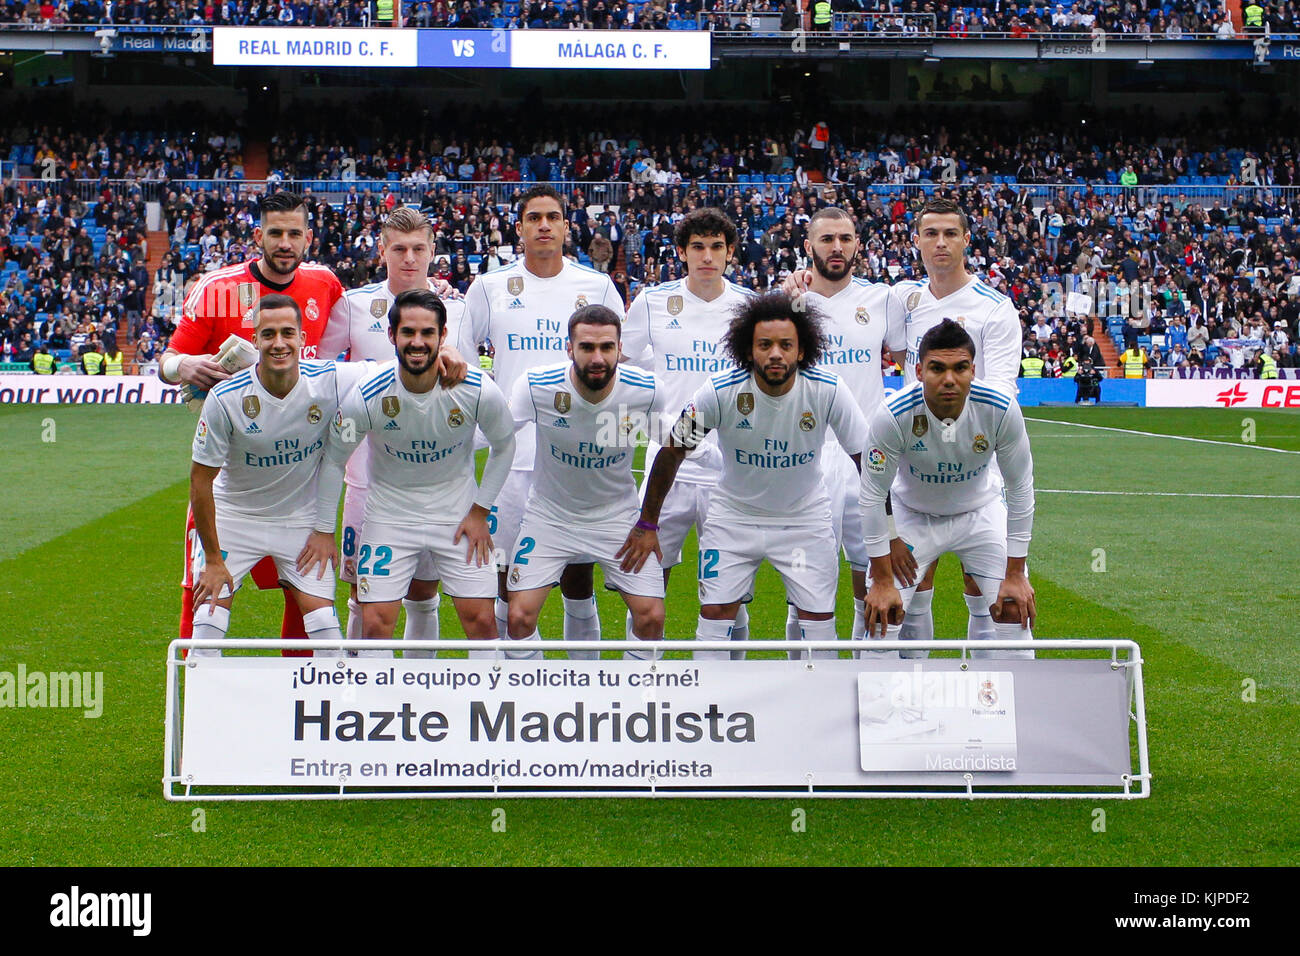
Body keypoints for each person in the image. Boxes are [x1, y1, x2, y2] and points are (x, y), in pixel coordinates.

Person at [619, 292, 868, 660]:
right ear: (748, 350)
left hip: (804, 520)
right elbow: (672, 452)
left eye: (786, 345)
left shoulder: (827, 389)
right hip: (733, 518)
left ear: (802, 350)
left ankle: (816, 712)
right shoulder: (720, 390)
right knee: (717, 614)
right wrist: (647, 523)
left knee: (817, 620)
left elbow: (869, 463)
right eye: (764, 345)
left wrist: (887, 538)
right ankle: (712, 709)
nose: (775, 354)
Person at [161, 191, 346, 658]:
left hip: (298, 480)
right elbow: (166, 359)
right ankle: (192, 710)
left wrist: (437, 291)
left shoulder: (326, 284)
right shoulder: (216, 287)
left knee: (307, 602)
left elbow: (369, 324)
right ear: (257, 235)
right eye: (275, 233)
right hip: (230, 477)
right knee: (203, 594)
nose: (285, 243)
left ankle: (303, 708)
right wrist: (182, 367)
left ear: (308, 237)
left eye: (294, 233)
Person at [456, 184, 624, 650]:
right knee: (508, 576)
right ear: (519, 228)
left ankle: (577, 678)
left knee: (577, 576)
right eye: (534, 218)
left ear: (567, 227)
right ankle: (516, 683)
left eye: (553, 217)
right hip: (512, 458)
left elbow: (616, 364)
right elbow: (466, 365)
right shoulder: (489, 288)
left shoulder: (596, 286)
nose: (544, 225)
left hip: (577, 454)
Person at [316, 289, 514, 660]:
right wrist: (324, 529)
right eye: (408, 332)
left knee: (482, 623)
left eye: (428, 333)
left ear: (442, 337)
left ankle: (488, 710)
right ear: (392, 336)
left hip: (457, 515)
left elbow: (505, 444)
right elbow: (333, 459)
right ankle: (381, 706)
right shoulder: (367, 394)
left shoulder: (476, 389)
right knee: (375, 625)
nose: (418, 342)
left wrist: (479, 510)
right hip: (390, 515)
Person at [318, 206, 467, 657]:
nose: (409, 258)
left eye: (418, 248)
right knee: (364, 590)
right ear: (382, 250)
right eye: (399, 248)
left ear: (432, 251)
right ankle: (359, 690)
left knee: (423, 590)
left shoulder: (456, 308)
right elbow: (324, 374)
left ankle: (417, 692)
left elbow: (471, 377)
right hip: (367, 474)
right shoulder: (355, 304)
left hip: (437, 473)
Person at [187, 295, 369, 659]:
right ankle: (203, 715)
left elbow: (389, 369)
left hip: (298, 522)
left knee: (327, 638)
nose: (279, 343)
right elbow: (199, 481)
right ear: (254, 340)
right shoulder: (225, 398)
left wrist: (447, 354)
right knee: (206, 631)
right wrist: (211, 558)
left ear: (303, 338)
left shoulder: (330, 380)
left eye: (288, 333)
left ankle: (327, 713)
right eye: (268, 334)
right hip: (234, 520)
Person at [889, 197, 1023, 661]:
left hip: (974, 461)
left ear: (967, 239)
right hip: (912, 462)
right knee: (914, 579)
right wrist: (802, 279)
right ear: (917, 242)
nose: (940, 243)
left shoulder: (995, 308)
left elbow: (1002, 391)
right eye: (931, 234)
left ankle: (984, 694)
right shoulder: (902, 300)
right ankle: (913, 693)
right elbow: (852, 311)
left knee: (982, 581)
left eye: (950, 233)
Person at [621, 207, 757, 656]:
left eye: (716, 247)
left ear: (730, 252)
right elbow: (623, 364)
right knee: (647, 577)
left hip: (731, 469)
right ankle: (640, 685)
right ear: (681, 253)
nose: (707, 256)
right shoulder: (652, 303)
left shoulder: (749, 307)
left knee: (729, 590)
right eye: (697, 247)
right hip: (668, 464)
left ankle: (728, 686)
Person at [781, 205, 915, 652]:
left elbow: (908, 365)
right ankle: (804, 680)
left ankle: (865, 676)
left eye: (845, 239)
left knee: (874, 575)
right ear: (808, 248)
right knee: (804, 587)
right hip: (808, 454)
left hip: (867, 455)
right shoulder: (790, 301)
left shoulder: (882, 299)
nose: (836, 248)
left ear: (857, 244)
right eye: (826, 239)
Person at [860, 319, 1036, 660]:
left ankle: (1009, 707)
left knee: (1014, 605)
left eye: (960, 368)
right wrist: (883, 574)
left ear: (973, 370)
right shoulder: (893, 414)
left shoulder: (999, 409)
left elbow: (1020, 490)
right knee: (885, 612)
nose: (949, 380)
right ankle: (889, 709)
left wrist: (1015, 572)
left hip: (980, 513)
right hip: (913, 514)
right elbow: (871, 494)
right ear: (918, 370)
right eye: (937, 369)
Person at [507, 305, 667, 661]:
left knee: (652, 617)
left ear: (619, 348)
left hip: (618, 517)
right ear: (569, 349)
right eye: (587, 347)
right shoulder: (537, 387)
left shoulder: (646, 390)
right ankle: (536, 701)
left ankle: (629, 702)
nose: (598, 357)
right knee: (518, 618)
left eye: (607, 347)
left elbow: (672, 443)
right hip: (550, 516)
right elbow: (496, 435)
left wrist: (649, 521)